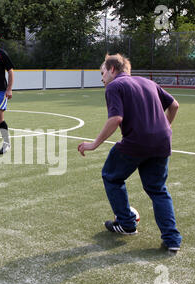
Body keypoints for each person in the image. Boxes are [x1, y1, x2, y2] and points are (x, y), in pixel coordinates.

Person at [77, 53, 182, 254]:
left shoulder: (114, 86)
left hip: (135, 143)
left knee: (111, 176)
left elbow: (116, 119)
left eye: (103, 73)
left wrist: (93, 144)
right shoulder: (147, 82)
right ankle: (172, 240)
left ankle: (126, 223)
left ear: (112, 69)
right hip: (161, 143)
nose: (102, 78)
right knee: (158, 190)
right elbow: (174, 105)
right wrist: (165, 128)